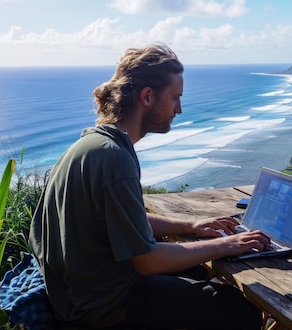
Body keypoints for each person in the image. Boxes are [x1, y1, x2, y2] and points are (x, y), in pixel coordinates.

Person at [29, 43, 269, 330]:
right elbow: (148, 262)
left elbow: (123, 220)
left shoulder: (91, 144)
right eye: (175, 98)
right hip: (105, 306)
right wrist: (227, 243)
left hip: (76, 294)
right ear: (147, 96)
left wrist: (190, 226)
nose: (178, 109)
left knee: (195, 269)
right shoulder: (114, 159)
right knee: (240, 311)